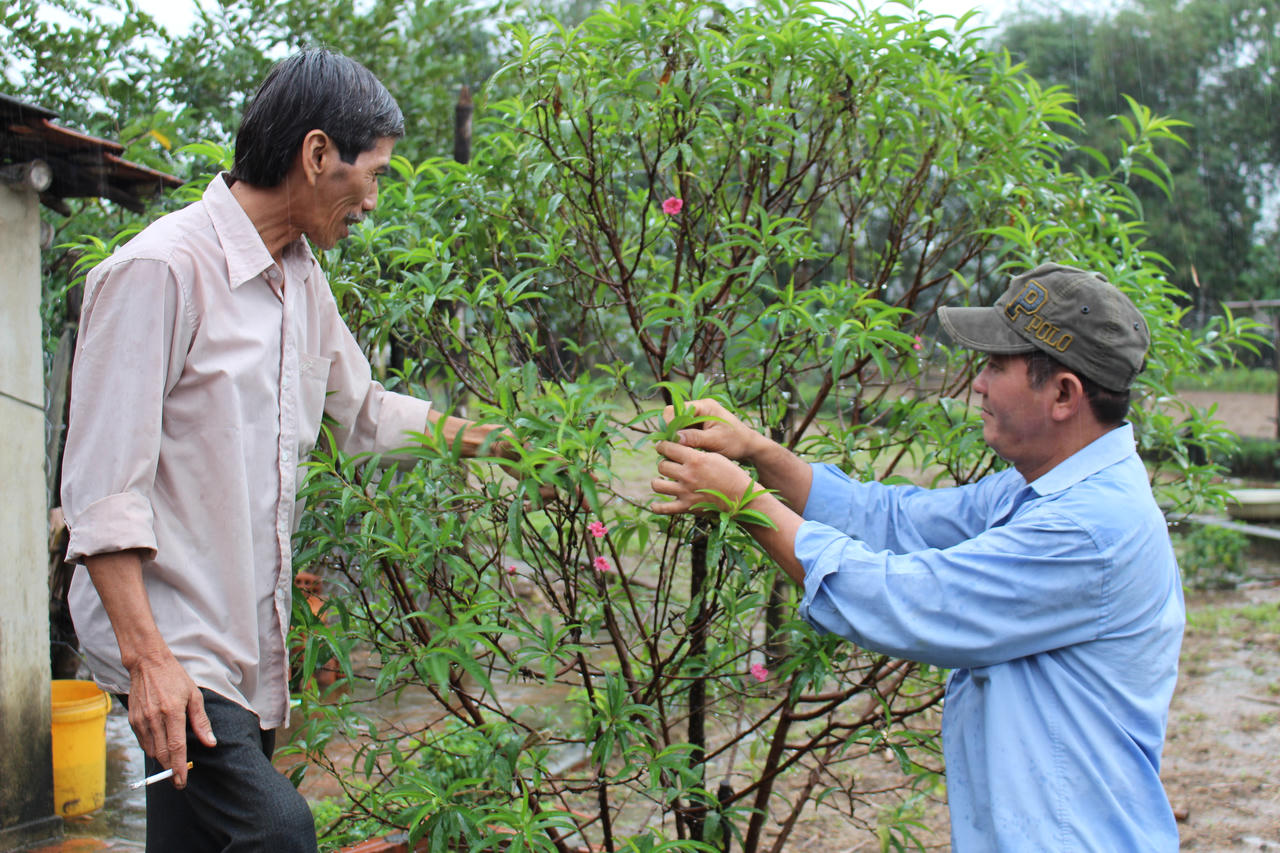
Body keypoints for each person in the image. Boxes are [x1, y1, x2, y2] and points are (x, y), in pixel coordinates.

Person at [61, 49, 513, 851]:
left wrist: (492, 442)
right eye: (370, 174)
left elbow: (363, 411)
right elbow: (102, 493)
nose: (372, 200)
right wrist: (147, 662)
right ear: (314, 155)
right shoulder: (161, 272)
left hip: (245, 641)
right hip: (176, 644)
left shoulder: (301, 280)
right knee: (278, 831)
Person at [652, 263, 1183, 850]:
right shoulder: (1038, 489)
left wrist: (743, 502)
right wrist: (761, 454)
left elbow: (908, 599)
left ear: (1062, 394)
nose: (977, 385)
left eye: (994, 366)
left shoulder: (1087, 529)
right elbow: (897, 522)